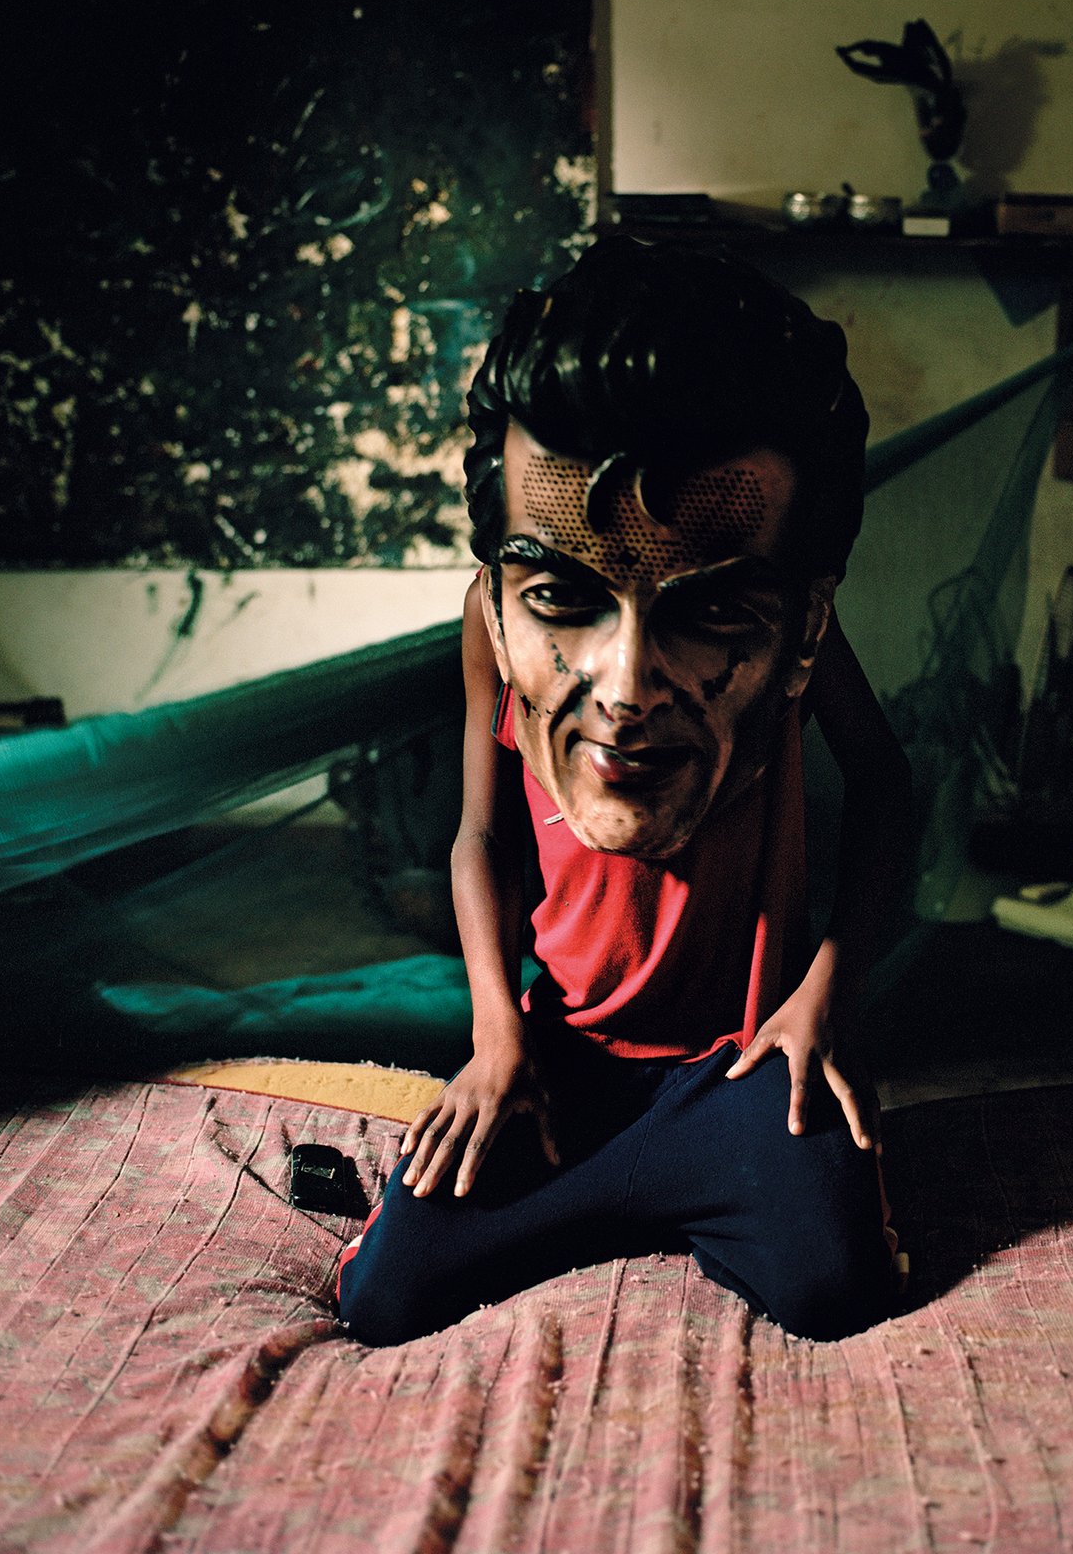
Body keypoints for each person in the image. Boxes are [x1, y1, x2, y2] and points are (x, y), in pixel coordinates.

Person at [337, 237, 911, 1345]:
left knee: (834, 1289)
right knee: (383, 1299)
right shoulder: (484, 627)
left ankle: (677, 1192)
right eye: (563, 599)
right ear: (501, 606)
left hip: (738, 1067)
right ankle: (630, 1194)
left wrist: (821, 1002)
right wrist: (496, 1037)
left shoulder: (806, 642)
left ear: (800, 630)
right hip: (559, 1065)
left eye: (712, 613)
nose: (627, 687)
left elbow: (886, 784)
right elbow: (480, 837)